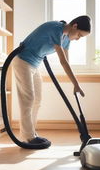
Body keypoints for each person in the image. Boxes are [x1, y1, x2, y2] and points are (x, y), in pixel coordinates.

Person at [13, 15, 92, 146]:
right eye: (79, 35)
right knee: (28, 98)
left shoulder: (67, 40)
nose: (78, 39)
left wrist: (75, 84)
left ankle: (30, 133)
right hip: (22, 61)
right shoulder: (56, 29)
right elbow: (63, 62)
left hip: (35, 63)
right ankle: (29, 137)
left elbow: (67, 62)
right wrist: (76, 84)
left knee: (37, 99)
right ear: (75, 26)